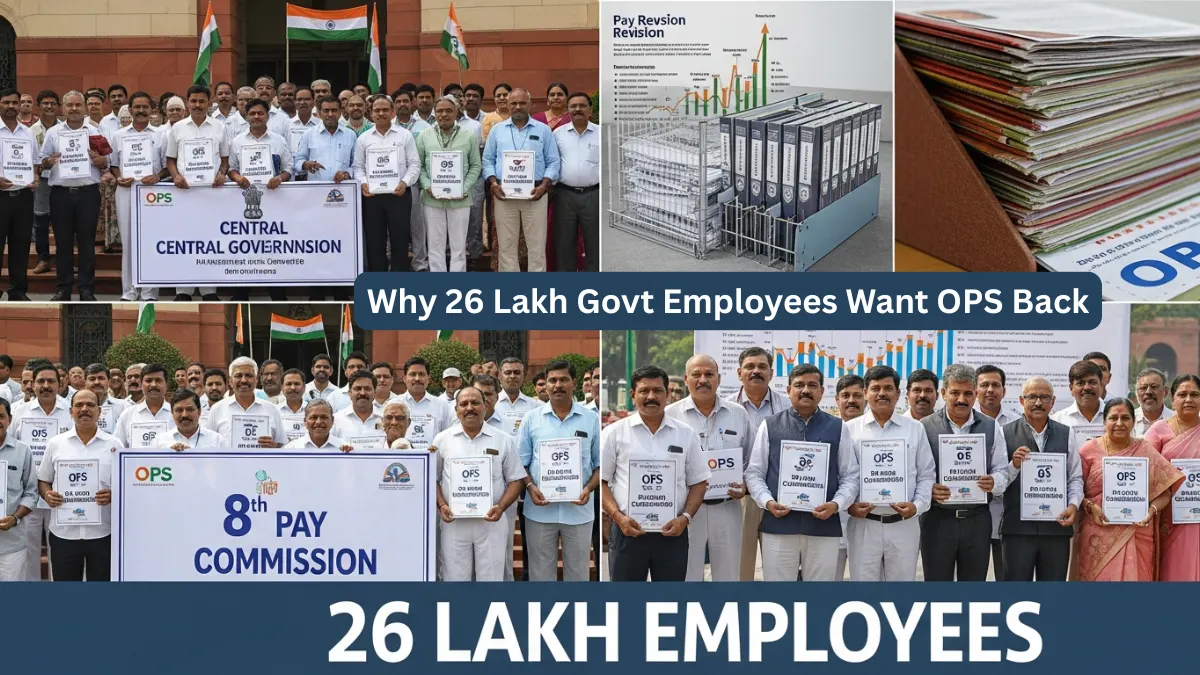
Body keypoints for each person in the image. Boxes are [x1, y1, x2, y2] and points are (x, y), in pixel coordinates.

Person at [745, 364, 857, 581]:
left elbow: (850, 475)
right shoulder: (770, 425)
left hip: (823, 527)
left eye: (812, 385)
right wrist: (768, 502)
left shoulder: (838, 427)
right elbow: (754, 473)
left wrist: (836, 504)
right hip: (778, 526)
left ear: (822, 391)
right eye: (799, 385)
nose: (806, 390)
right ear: (788, 390)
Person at [602, 365, 709, 581]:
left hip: (672, 532)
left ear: (668, 394)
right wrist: (618, 517)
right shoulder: (614, 433)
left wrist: (685, 518)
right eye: (644, 391)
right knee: (626, 603)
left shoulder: (685, 434)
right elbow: (602, 481)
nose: (651, 396)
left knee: (669, 602)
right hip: (627, 531)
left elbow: (699, 482)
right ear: (633, 395)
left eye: (658, 390)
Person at [919, 364, 1011, 582]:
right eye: (955, 393)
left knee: (973, 587)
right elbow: (916, 473)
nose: (961, 399)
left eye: (968, 393)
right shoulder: (923, 426)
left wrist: (994, 481)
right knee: (936, 586)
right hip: (938, 519)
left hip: (977, 520)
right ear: (943, 394)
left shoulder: (991, 427)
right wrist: (929, 489)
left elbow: (1002, 471)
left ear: (976, 394)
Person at [1075, 397, 1183, 581]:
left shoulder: (1145, 450)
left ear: (1133, 421)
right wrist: (1091, 508)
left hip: (1137, 532)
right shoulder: (1089, 450)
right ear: (1104, 422)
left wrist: (1151, 510)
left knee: (1135, 592)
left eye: (1125, 418)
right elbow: (1076, 490)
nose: (1119, 423)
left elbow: (1165, 492)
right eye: (1113, 418)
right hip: (1099, 533)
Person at [665, 354, 752, 582]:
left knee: (729, 575)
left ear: (719, 379)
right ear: (686, 379)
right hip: (686, 510)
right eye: (696, 374)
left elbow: (751, 462)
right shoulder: (670, 415)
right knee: (687, 575)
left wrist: (745, 485)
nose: (703, 379)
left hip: (727, 506)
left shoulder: (738, 414)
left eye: (709, 374)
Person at [845, 365, 936, 581]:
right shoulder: (850, 429)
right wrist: (849, 505)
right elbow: (843, 475)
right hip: (864, 523)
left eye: (888, 388)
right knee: (863, 592)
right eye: (875, 388)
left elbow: (926, 474)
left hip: (904, 524)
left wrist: (917, 506)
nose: (882, 394)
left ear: (898, 394)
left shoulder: (915, 428)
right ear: (866, 393)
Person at [519, 360, 601, 581]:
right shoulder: (531, 419)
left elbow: (600, 465)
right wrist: (530, 486)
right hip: (539, 511)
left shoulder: (591, 419)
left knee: (578, 574)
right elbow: (520, 463)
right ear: (545, 385)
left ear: (574, 383)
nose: (558, 385)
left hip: (579, 512)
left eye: (563, 379)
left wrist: (589, 488)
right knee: (540, 574)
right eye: (552, 380)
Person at [434, 386, 526, 581]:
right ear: (456, 409)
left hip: (491, 522)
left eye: (475, 403)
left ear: (485, 406)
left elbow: (516, 480)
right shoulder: (442, 440)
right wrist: (441, 505)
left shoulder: (503, 440)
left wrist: (501, 507)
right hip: (454, 522)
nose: (469, 408)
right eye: (464, 404)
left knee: (491, 580)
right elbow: (433, 479)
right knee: (455, 580)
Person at [1001, 376, 1082, 581]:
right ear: (1021, 401)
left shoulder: (1066, 433)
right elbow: (998, 482)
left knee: (1052, 594)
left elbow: (1075, 477)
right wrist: (1014, 466)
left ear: (1053, 402)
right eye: (1032, 397)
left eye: (1044, 397)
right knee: (1016, 594)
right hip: (1017, 530)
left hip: (1056, 528)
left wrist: (1073, 505)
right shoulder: (1005, 433)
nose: (1038, 403)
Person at [37, 389, 120, 581]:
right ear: (70, 411)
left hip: (102, 532)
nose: (84, 409)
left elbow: (123, 485)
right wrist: (48, 495)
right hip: (64, 533)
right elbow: (43, 480)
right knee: (66, 591)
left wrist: (113, 494)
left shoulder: (114, 445)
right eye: (79, 405)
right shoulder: (56, 444)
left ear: (99, 411)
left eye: (90, 405)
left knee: (101, 591)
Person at [40, 90, 110, 301]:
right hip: (60, 195)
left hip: (87, 194)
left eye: (78, 105)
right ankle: (63, 289)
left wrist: (100, 161)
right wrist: (47, 162)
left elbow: (107, 162)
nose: (73, 109)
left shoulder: (95, 131)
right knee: (63, 243)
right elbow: (41, 163)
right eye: (69, 105)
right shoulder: (53, 133)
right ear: (63, 108)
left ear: (85, 107)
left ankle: (86, 289)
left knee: (87, 243)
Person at [727, 346, 788, 580]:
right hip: (740, 498)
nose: (756, 371)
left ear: (771, 373)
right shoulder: (725, 409)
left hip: (779, 498)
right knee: (741, 567)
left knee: (781, 567)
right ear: (739, 372)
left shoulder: (787, 406)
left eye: (762, 367)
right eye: (750, 367)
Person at [483, 88, 561, 272]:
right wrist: (493, 183)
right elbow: (487, 160)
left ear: (530, 104)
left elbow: (553, 161)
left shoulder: (543, 131)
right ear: (508, 105)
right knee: (507, 246)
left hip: (535, 193)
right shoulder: (497, 131)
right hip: (504, 193)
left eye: (522, 103)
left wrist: (544, 186)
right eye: (513, 103)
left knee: (536, 246)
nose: (518, 107)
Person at [165, 84, 229, 302]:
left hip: (212, 193)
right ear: (187, 102)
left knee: (210, 241)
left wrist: (222, 173)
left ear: (209, 103)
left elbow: (226, 158)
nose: (198, 105)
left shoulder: (219, 127)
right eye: (193, 101)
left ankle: (209, 290)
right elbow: (170, 160)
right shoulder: (178, 128)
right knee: (184, 241)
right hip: (186, 193)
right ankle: (183, 290)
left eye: (202, 101)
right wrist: (175, 176)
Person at [11, 363, 72, 581]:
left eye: (51, 381)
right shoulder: (19, 411)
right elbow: (10, 447)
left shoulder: (71, 410)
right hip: (28, 497)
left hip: (63, 495)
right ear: (32, 384)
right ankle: (32, 600)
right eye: (41, 381)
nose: (46, 386)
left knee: (62, 551)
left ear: (60, 383)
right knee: (29, 551)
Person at [353, 95, 420, 272]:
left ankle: (398, 284)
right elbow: (358, 167)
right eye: (377, 110)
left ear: (392, 112)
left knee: (400, 240)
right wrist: (364, 183)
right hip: (372, 196)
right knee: (375, 242)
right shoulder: (363, 139)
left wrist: (405, 183)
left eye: (385, 110)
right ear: (371, 114)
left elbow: (414, 164)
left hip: (399, 194)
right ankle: (378, 284)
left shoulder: (405, 136)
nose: (381, 113)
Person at [1144, 374, 1200, 581]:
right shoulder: (1159, 430)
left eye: (1194, 394)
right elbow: (1147, 470)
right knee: (1172, 569)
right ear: (1172, 399)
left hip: (1198, 515)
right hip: (1168, 515)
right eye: (1182, 394)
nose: (1188, 399)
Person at [417, 96, 482, 272]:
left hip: (460, 198)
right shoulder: (424, 135)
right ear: (434, 113)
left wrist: (464, 187)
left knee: (459, 247)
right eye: (439, 111)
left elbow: (476, 165)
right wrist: (427, 185)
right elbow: (419, 165)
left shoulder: (468, 135)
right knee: (435, 247)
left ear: (456, 113)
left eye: (448, 110)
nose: (444, 114)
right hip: (432, 199)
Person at [111, 91, 163, 301]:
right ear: (130, 110)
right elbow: (114, 165)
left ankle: (150, 292)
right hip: (126, 190)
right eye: (137, 107)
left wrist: (157, 176)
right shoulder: (119, 135)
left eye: (145, 107)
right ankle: (129, 291)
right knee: (129, 241)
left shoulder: (161, 134)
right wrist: (118, 177)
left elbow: (168, 166)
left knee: (151, 241)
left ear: (152, 110)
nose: (141, 111)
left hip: (153, 192)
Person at [974, 364, 1020, 579]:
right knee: (973, 576)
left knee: (1006, 575)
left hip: (1009, 511)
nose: (990, 390)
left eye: (995, 385)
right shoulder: (963, 421)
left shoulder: (1017, 423)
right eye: (984, 385)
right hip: (974, 512)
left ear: (1004, 390)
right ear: (975, 389)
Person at [552, 92, 599, 272]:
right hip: (565, 195)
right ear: (568, 110)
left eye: (582, 106)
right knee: (564, 242)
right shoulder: (557, 134)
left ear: (590, 110)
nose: (577, 109)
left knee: (594, 242)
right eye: (573, 106)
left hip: (593, 194)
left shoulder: (600, 133)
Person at [0, 88, 38, 301]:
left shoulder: (27, 132)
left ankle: (18, 291)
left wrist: (35, 177)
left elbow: (34, 163)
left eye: (14, 103)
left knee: (21, 246)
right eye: (6, 102)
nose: (11, 106)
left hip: (23, 196)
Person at [204, 357, 286, 448]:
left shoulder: (271, 409)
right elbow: (208, 444)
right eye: (238, 376)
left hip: (261, 462)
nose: (243, 380)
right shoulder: (217, 409)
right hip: (227, 462)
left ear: (256, 379)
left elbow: (282, 445)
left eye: (249, 376)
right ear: (230, 381)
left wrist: (274, 446)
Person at [0, 398, 36, 581]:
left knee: (10, 599)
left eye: (1, 416)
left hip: (11, 544)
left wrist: (15, 518)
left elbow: (31, 493)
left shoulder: (23, 451)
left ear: (9, 419)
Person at [834, 374, 865, 579]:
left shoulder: (877, 432)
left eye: (857, 395)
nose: (851, 400)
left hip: (865, 521)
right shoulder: (828, 429)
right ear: (837, 400)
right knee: (828, 583)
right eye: (845, 395)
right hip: (831, 521)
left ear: (866, 397)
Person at [29, 90, 59, 277]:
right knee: (40, 220)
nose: (49, 106)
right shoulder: (31, 130)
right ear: (39, 106)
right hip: (42, 179)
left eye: (52, 103)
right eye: (45, 103)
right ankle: (43, 258)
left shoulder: (64, 128)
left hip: (62, 179)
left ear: (58, 106)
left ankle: (65, 259)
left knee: (64, 221)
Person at [112, 363, 173, 449]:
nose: (153, 385)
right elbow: (116, 447)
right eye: (148, 380)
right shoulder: (127, 415)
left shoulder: (176, 414)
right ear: (141, 384)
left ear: (166, 384)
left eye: (158, 380)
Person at [400, 357, 453, 449]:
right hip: (401, 461)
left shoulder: (442, 405)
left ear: (428, 378)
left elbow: (447, 437)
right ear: (404, 378)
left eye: (421, 374)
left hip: (433, 461)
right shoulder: (394, 404)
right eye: (412, 374)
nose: (417, 378)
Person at [1052, 360, 1106, 446]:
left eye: (1092, 382)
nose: (1087, 388)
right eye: (1080, 383)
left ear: (1102, 386)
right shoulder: (1057, 421)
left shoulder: (1117, 419)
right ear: (1071, 388)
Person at [332, 371, 385, 449]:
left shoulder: (385, 418)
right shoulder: (335, 420)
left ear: (374, 393)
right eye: (358, 389)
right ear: (350, 393)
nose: (363, 393)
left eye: (367, 389)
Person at [157, 389, 224, 450]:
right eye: (179, 410)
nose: (184, 415)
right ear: (172, 412)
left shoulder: (217, 441)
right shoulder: (159, 442)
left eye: (190, 409)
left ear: (199, 411)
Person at [495, 357, 539, 437]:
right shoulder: (492, 404)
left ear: (524, 375)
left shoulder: (534, 405)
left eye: (517, 372)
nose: (512, 376)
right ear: (499, 375)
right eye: (508, 373)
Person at [284, 400, 353, 450]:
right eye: (313, 417)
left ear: (332, 421)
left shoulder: (345, 449)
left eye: (324, 417)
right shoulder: (291, 448)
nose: (318, 422)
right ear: (305, 421)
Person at [84, 363, 127, 436]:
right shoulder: (76, 407)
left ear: (109, 381)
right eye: (92, 379)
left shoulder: (123, 406)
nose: (97, 382)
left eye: (101, 378)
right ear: (85, 382)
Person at [1134, 368, 1174, 438]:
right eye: (1143, 388)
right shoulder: (1127, 420)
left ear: (1166, 392)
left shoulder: (1176, 421)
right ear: (1136, 393)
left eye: (1154, 387)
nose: (1148, 392)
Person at [277, 368, 307, 442]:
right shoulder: (274, 411)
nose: (293, 388)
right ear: (282, 387)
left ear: (304, 387)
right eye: (288, 384)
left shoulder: (313, 411)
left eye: (297, 384)